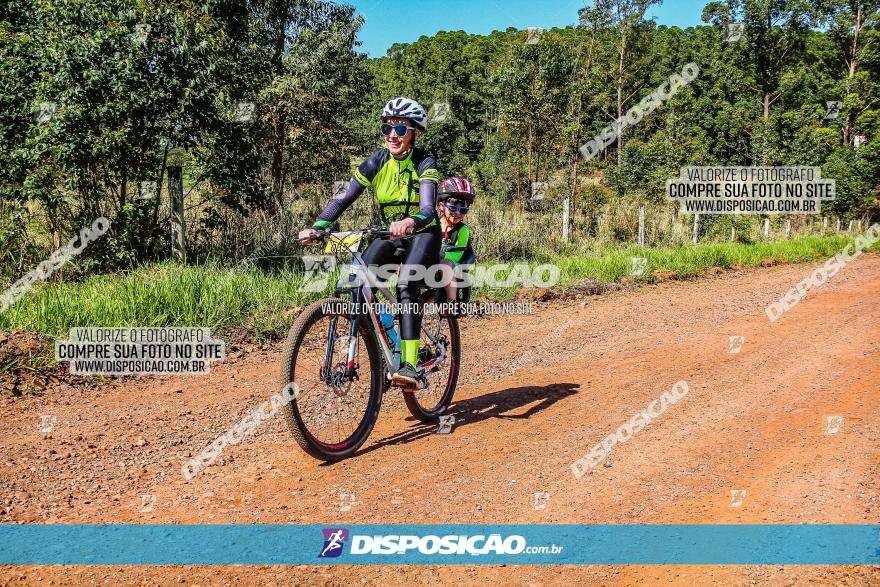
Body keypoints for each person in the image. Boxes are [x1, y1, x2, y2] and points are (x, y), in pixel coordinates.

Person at [299, 97, 440, 389]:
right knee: (358, 280)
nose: (392, 135)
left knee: (406, 283)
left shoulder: (425, 162)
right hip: (390, 233)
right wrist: (318, 226)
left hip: (423, 232)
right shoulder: (376, 161)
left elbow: (428, 209)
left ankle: (410, 365)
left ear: (416, 133)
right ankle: (387, 346)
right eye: (387, 128)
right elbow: (343, 197)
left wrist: (411, 221)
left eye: (401, 130)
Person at [437, 177, 475, 307]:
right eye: (453, 208)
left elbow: (458, 255)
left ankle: (452, 302)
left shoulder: (463, 230)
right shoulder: (434, 225)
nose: (457, 213)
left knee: (446, 265)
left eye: (463, 210)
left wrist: (441, 255)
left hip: (452, 265)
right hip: (431, 263)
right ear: (442, 206)